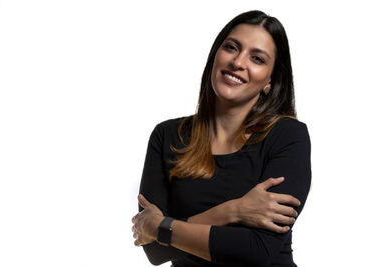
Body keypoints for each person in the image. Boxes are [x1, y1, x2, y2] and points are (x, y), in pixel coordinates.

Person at [131, 10, 311, 267]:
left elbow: (257, 251)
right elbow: (154, 251)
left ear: (270, 80)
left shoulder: (287, 136)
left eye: (257, 58)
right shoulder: (167, 136)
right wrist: (233, 211)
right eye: (231, 47)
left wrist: (163, 228)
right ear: (216, 54)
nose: (238, 62)